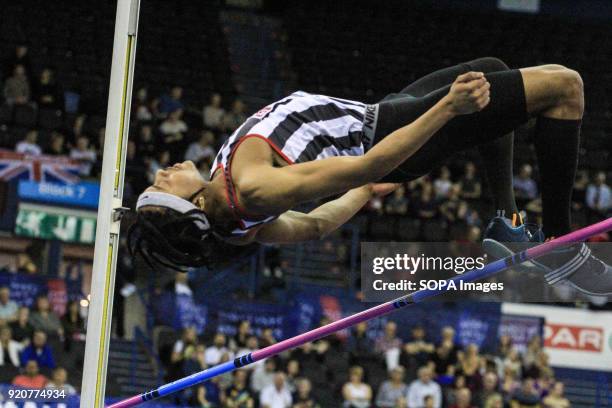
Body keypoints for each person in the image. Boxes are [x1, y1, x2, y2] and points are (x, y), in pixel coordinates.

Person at [129, 58, 609, 294]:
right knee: (566, 88)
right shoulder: (253, 190)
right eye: (160, 186)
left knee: (492, 72)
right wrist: (446, 108)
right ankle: (563, 241)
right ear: (191, 206)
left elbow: (315, 225)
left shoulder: (232, 220)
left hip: (375, 114)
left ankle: (505, 221)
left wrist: (363, 191)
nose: (162, 172)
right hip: (384, 135)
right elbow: (368, 163)